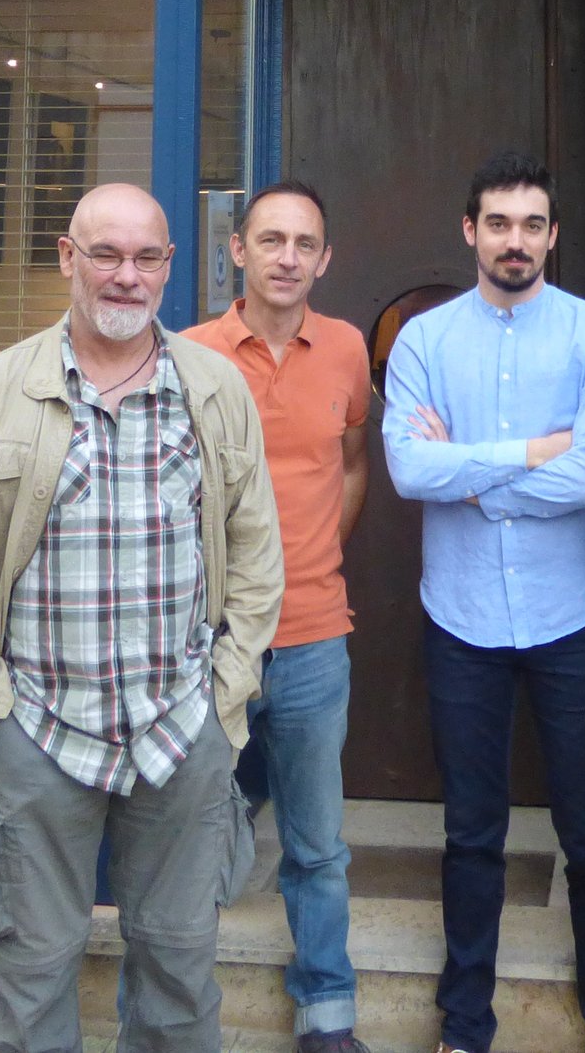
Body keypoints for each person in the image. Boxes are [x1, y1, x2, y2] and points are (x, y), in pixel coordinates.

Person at [0, 182, 284, 1053]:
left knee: (180, 976)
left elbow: (258, 554)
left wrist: (228, 690)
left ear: (169, 268)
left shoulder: (214, 392)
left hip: (181, 731)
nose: (125, 276)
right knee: (32, 973)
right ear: (68, 257)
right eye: (104, 254)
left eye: (146, 257)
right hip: (36, 731)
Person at [382, 150, 585, 1053]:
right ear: (469, 231)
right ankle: (464, 1026)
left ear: (553, 235)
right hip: (461, 616)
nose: (515, 240)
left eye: (532, 224)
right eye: (498, 222)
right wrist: (533, 452)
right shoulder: (422, 340)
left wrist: (473, 472)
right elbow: (411, 468)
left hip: (575, 614)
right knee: (471, 832)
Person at [182, 179, 375, 1053]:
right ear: (237, 250)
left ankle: (326, 1014)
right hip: (203, 643)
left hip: (311, 637)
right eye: (271, 240)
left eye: (305, 242)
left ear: (324, 258)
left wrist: (314, 555)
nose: (287, 256)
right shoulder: (187, 354)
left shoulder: (344, 350)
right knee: (181, 833)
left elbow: (353, 459)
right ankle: (177, 1010)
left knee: (317, 845)